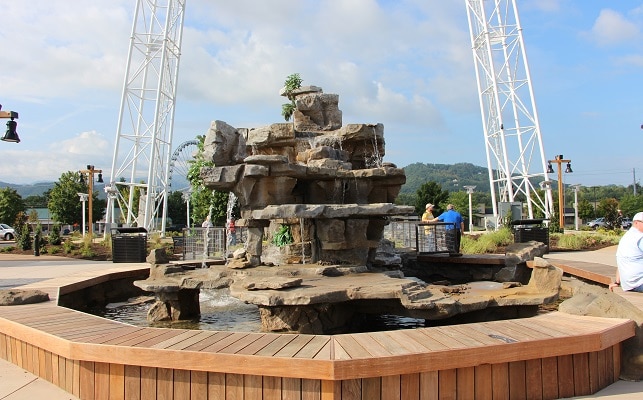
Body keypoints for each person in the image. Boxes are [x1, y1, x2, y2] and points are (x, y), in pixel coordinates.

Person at [611, 211, 643, 292]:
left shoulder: (626, 236)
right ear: (636, 223)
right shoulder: (639, 237)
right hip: (639, 283)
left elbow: (621, 261)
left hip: (628, 284)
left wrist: (617, 282)